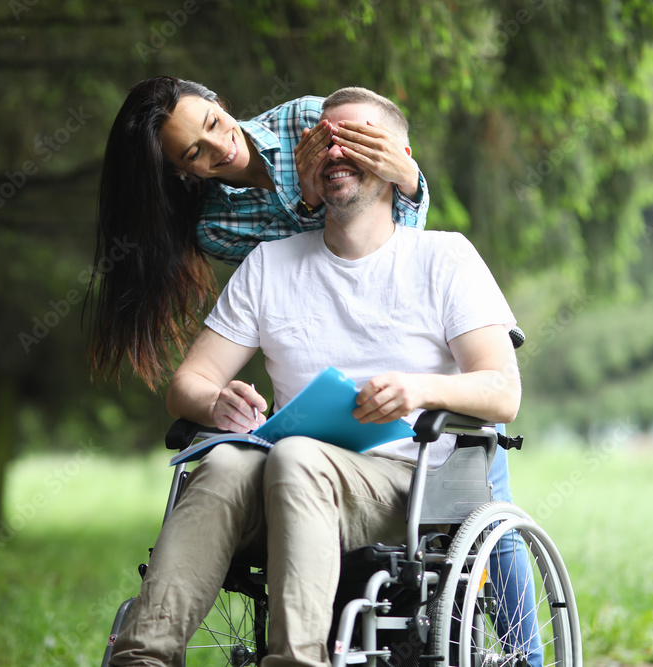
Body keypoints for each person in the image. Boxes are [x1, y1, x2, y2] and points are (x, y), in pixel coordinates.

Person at [109, 87, 543, 667]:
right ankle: (143, 658)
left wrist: (421, 388)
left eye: (357, 140)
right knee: (222, 461)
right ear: (304, 159)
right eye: (326, 141)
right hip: (289, 479)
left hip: (405, 483)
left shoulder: (446, 259)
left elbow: (503, 390)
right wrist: (216, 403)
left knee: (297, 457)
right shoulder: (267, 263)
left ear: (396, 157)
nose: (338, 150)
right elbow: (185, 385)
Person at [87, 76, 429, 391]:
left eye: (213, 123)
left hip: (398, 308)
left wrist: (409, 179)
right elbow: (299, 285)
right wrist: (307, 202)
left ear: (219, 104)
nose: (220, 146)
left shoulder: (308, 119)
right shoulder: (216, 227)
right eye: (195, 152)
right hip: (327, 347)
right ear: (179, 171)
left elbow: (388, 234)